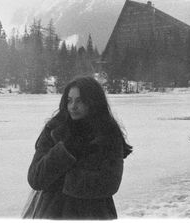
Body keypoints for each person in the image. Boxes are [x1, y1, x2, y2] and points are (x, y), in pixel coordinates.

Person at [23, 76, 132, 219]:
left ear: (93, 102)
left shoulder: (108, 134)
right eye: (69, 100)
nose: (73, 106)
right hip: (51, 212)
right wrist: (66, 151)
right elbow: (36, 179)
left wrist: (64, 179)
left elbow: (110, 182)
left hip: (93, 213)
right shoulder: (54, 129)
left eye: (80, 100)